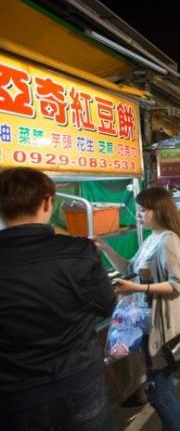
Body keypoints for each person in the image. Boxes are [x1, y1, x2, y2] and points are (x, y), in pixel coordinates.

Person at [1, 167, 116, 431]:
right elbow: (107, 305)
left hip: (14, 398)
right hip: (79, 383)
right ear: (47, 202)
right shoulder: (80, 251)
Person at [96, 187, 180, 429]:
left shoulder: (168, 239)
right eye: (137, 210)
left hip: (162, 328)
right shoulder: (152, 238)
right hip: (148, 325)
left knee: (159, 393)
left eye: (142, 210)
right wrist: (105, 248)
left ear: (158, 210)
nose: (137, 214)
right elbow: (130, 268)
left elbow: (179, 284)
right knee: (163, 389)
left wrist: (137, 289)